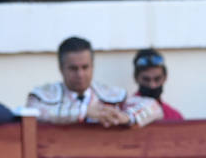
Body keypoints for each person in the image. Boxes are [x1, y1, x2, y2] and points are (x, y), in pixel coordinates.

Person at [25, 36, 162, 128]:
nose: (80, 74)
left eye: (85, 67)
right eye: (73, 68)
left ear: (92, 66)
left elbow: (154, 106)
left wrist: (127, 117)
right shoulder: (42, 96)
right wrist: (83, 112)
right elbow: (33, 113)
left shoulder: (112, 95)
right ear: (61, 68)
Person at [132, 48, 184, 120]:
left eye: (157, 79)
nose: (152, 85)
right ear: (136, 78)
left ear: (165, 77)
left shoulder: (174, 116)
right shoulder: (123, 111)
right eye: (146, 79)